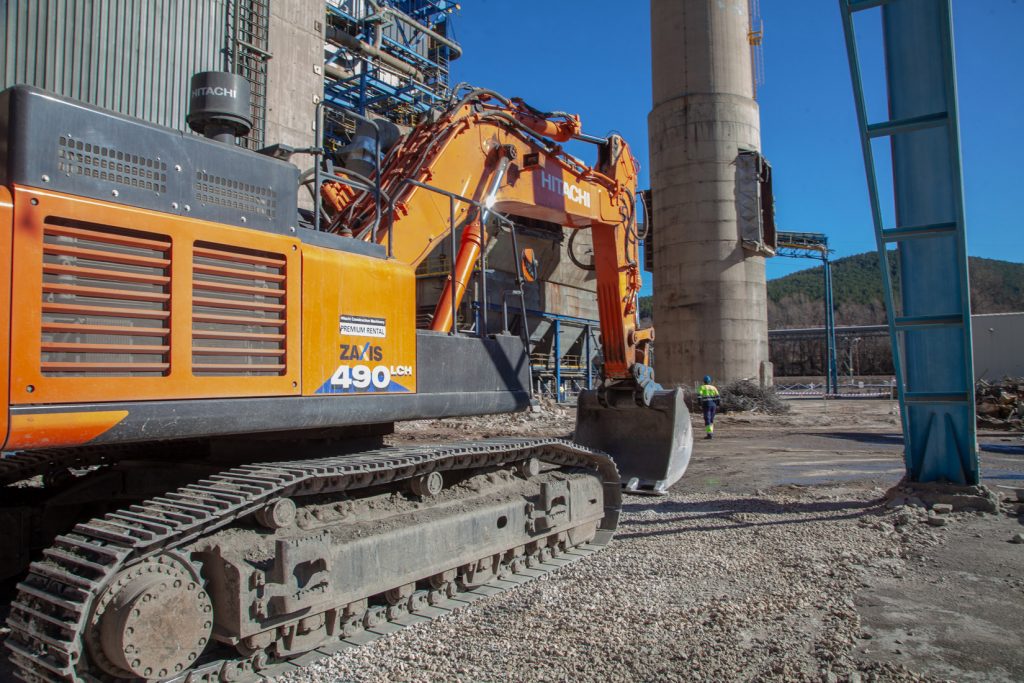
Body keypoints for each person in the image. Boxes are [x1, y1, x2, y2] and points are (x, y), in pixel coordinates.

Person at [698, 375, 721, 439]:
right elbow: (718, 397)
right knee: (711, 419)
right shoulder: (713, 388)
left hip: (706, 405)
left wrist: (699, 404)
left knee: (707, 419)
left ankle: (709, 434)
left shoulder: (702, 387)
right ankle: (711, 433)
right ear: (710, 381)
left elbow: (699, 397)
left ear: (704, 381)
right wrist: (718, 405)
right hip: (713, 405)